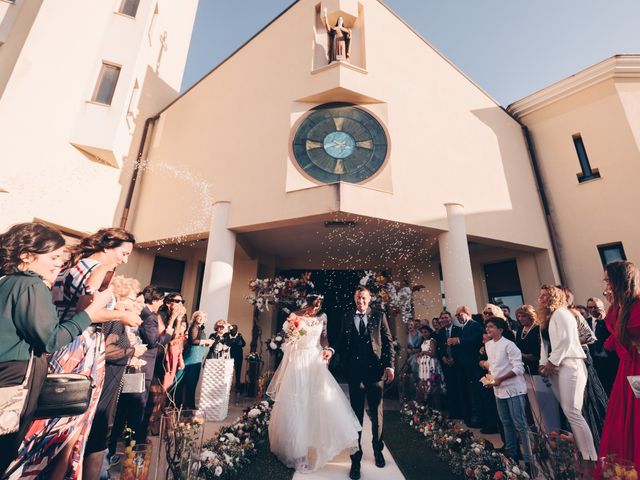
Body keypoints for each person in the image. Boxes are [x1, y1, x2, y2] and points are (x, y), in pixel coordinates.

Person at [7, 227, 141, 480]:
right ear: (107, 247)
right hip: (81, 347)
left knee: (53, 419)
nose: (124, 260)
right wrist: (121, 314)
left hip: (62, 346)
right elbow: (88, 314)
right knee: (71, 425)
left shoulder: (73, 266)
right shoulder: (99, 270)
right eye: (123, 253)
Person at [267, 294, 361, 475]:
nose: (316, 310)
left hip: (315, 359)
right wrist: (290, 339)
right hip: (298, 360)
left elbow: (324, 338)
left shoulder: (322, 318)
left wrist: (326, 350)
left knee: (319, 400)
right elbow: (285, 338)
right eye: (313, 306)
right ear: (307, 304)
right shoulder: (294, 317)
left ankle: (316, 443)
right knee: (298, 403)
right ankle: (298, 452)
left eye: (318, 307)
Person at [83, 276, 147, 480]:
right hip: (105, 383)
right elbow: (106, 351)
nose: (132, 303)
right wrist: (132, 351)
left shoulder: (119, 321)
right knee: (99, 433)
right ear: (116, 299)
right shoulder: (114, 321)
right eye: (128, 298)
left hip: (112, 381)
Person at [336, 286, 394, 480]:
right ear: (354, 299)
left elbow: (388, 343)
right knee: (356, 415)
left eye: (363, 297)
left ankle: (378, 450)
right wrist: (333, 354)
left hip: (376, 373)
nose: (360, 300)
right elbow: (341, 343)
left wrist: (390, 366)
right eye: (357, 298)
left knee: (377, 414)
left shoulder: (379, 315)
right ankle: (356, 458)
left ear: (369, 299)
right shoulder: (346, 316)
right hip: (354, 374)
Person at [537, 285, 598, 470]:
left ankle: (590, 458)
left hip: (570, 365)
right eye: (540, 295)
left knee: (573, 412)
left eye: (545, 295)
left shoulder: (561, 313)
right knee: (568, 412)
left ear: (554, 297)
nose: (541, 298)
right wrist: (543, 362)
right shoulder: (547, 319)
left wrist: (551, 363)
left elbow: (566, 341)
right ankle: (581, 454)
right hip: (556, 368)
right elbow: (544, 344)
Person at [598, 261, 640, 472]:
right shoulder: (616, 307)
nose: (605, 283)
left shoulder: (638, 305)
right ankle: (625, 470)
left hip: (638, 369)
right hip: (625, 372)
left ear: (619, 280)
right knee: (623, 422)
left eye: (608, 279)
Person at [482, 317, 532, 469]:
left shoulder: (510, 345)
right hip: (498, 389)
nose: (488, 329)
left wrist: (501, 379)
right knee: (505, 423)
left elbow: (519, 368)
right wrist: (488, 371)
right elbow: (494, 364)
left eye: (491, 327)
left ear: (500, 330)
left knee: (520, 424)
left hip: (513, 388)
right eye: (487, 327)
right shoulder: (489, 345)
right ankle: (512, 455)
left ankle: (530, 459)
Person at [514, 305, 561, 433]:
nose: (521, 318)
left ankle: (552, 431)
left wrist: (523, 356)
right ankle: (540, 432)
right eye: (519, 316)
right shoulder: (519, 330)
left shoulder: (538, 329)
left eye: (524, 315)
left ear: (531, 315)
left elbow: (541, 351)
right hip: (526, 371)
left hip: (538, 370)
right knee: (533, 404)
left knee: (545, 402)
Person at [448, 306, 484, 428]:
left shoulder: (474, 325)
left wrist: (459, 341)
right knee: (469, 391)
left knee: (476, 392)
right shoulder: (462, 328)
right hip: (464, 365)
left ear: (467, 313)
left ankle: (479, 417)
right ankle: (471, 416)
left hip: (473, 364)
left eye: (459, 314)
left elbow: (476, 339)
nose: (458, 317)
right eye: (456, 315)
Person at [177, 312, 212, 409]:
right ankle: (187, 406)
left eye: (203, 317)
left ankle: (189, 405)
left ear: (205, 319)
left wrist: (205, 343)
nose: (200, 319)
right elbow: (193, 341)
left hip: (197, 357)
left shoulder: (199, 328)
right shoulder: (194, 327)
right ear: (195, 318)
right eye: (198, 317)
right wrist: (206, 341)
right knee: (189, 382)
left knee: (192, 382)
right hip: (192, 357)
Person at [587, 296, 619, 395]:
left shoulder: (609, 320)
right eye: (589, 307)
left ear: (601, 307)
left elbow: (614, 334)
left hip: (610, 359)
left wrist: (603, 321)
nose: (592, 310)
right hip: (596, 360)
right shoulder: (586, 322)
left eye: (595, 307)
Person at [436, 310, 463, 420]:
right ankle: (454, 412)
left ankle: (463, 412)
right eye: (442, 318)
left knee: (460, 388)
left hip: (457, 363)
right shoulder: (441, 332)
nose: (444, 320)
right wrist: (443, 358)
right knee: (450, 388)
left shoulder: (458, 329)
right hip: (446, 364)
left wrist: (454, 358)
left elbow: (460, 347)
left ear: (450, 318)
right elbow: (440, 348)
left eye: (446, 317)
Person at [415, 325, 445, 409]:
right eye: (422, 332)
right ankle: (428, 408)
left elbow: (433, 353)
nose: (424, 334)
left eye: (426, 332)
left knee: (433, 386)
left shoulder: (431, 341)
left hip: (431, 366)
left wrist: (424, 352)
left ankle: (437, 409)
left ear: (429, 332)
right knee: (425, 387)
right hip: (424, 367)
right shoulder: (423, 342)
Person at [225, 324, 246, 391]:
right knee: (228, 371)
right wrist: (235, 342)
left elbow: (243, 344)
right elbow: (228, 343)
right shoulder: (227, 335)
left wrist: (234, 342)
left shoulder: (239, 335)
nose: (232, 330)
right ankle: (227, 386)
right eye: (231, 329)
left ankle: (237, 386)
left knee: (238, 371)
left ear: (236, 329)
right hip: (229, 355)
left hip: (238, 355)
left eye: (234, 329)